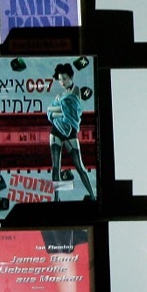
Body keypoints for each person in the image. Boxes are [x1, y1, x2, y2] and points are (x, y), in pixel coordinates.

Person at [46, 62, 96, 203]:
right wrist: (58, 111)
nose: (62, 82)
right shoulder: (60, 95)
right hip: (56, 131)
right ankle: (56, 199)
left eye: (65, 78)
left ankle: (93, 196)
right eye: (60, 79)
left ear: (71, 77)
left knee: (79, 166)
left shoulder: (76, 91)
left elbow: (68, 112)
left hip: (70, 131)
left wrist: (56, 110)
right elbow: (49, 111)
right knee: (56, 167)